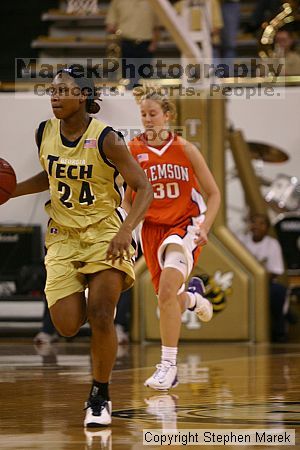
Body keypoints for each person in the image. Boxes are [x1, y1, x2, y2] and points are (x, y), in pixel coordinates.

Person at [10, 67, 153, 426]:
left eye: (63, 91)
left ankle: (99, 395)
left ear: (83, 97)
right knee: (68, 326)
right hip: (62, 237)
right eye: (52, 91)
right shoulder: (44, 132)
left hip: (105, 233)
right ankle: (94, 298)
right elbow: (52, 174)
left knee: (102, 315)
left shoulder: (108, 139)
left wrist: (127, 230)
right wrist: (10, 191)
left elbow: (144, 187)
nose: (54, 96)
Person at [123, 87, 221, 390]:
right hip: (152, 231)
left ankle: (168, 367)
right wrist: (129, 230)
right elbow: (129, 199)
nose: (148, 119)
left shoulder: (185, 149)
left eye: (153, 114)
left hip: (184, 225)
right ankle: (193, 298)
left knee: (166, 290)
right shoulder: (132, 149)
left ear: (168, 116)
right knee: (168, 299)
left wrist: (205, 226)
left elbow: (214, 193)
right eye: (143, 114)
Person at [238, 213, 289, 342]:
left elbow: (276, 271)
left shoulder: (272, 244)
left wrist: (258, 280)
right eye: (254, 223)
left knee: (278, 291)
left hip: (266, 285)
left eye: (261, 224)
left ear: (267, 227)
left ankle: (279, 332)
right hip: (243, 284)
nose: (257, 226)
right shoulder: (241, 240)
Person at [106, 0, 160, 89]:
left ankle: (142, 98)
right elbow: (111, 25)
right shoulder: (118, 2)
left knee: (144, 77)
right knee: (130, 78)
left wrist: (154, 43)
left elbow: (156, 27)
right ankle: (132, 97)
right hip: (126, 43)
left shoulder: (153, 2)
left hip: (146, 45)